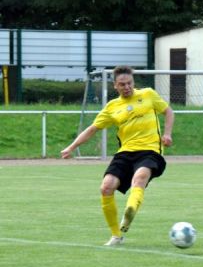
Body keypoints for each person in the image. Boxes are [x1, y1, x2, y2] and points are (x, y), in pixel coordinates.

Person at [61, 65, 174, 246]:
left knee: (140, 177)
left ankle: (130, 211)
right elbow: (92, 129)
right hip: (125, 152)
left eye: (129, 83)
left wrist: (167, 134)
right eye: (122, 84)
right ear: (115, 86)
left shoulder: (148, 94)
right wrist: (71, 147)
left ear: (133, 82)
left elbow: (168, 111)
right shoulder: (112, 107)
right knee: (106, 187)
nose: (127, 87)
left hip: (150, 150)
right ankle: (116, 235)